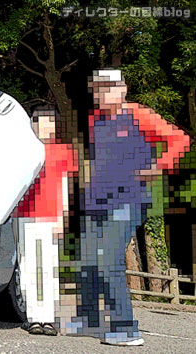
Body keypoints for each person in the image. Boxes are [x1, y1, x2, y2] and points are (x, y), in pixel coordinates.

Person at [66, 69, 191, 345]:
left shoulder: (137, 114)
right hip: (97, 202)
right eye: (97, 89)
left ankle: (125, 329)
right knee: (86, 260)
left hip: (127, 200)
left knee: (109, 259)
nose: (101, 94)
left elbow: (180, 140)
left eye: (107, 88)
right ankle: (89, 320)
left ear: (122, 89)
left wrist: (157, 167)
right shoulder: (96, 120)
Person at [14, 108, 78, 336]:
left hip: (51, 216)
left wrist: (63, 217)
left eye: (48, 122)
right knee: (27, 266)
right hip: (23, 215)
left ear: (55, 125)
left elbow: (65, 187)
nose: (44, 127)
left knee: (48, 267)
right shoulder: (23, 151)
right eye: (38, 123)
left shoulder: (63, 152)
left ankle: (48, 319)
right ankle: (33, 318)